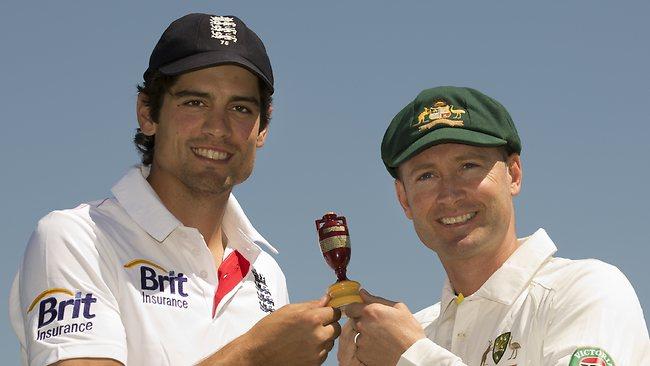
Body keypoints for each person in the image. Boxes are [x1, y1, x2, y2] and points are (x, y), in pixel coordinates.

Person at [9, 13, 340, 366]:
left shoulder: (267, 274)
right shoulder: (76, 238)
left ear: (262, 130)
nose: (218, 127)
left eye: (241, 108)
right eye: (194, 103)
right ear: (148, 114)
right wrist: (253, 355)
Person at [338, 86, 649, 365]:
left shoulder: (585, 290)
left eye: (468, 166)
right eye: (426, 176)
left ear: (513, 174)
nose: (450, 194)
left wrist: (413, 357)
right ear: (403, 198)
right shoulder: (416, 332)